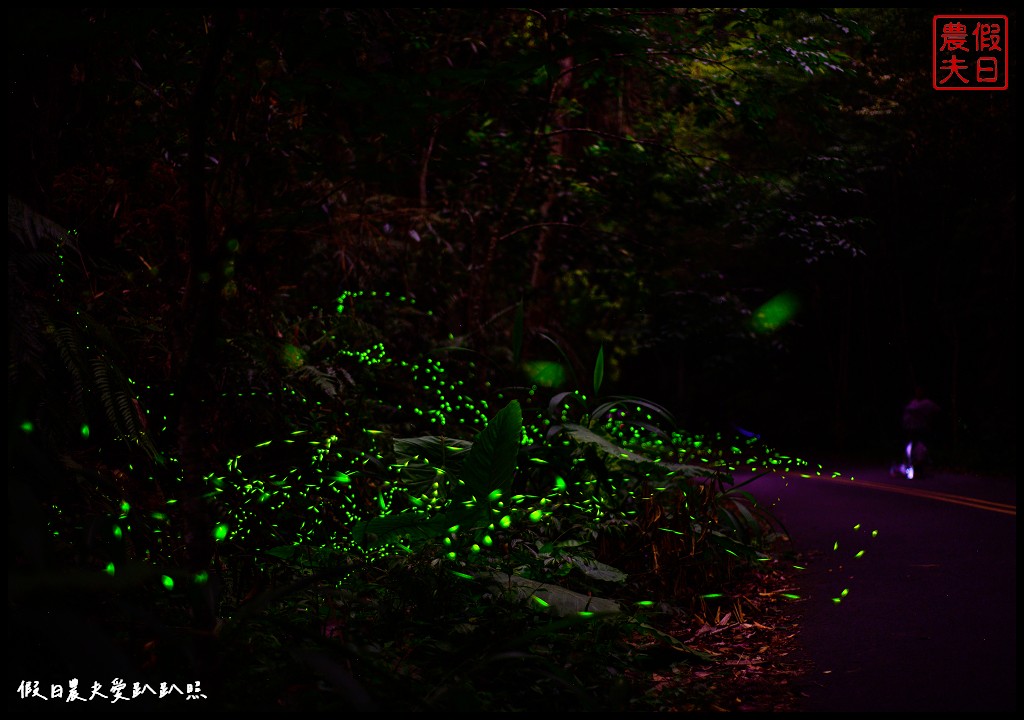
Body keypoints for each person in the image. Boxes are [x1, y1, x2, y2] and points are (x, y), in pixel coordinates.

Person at [899, 386, 941, 477]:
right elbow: (906, 413)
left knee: (921, 448)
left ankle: (921, 468)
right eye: (917, 391)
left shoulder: (927, 403)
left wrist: (928, 417)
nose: (918, 393)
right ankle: (910, 468)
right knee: (910, 448)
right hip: (910, 429)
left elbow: (937, 410)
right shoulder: (913, 403)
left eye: (920, 391)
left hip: (921, 429)